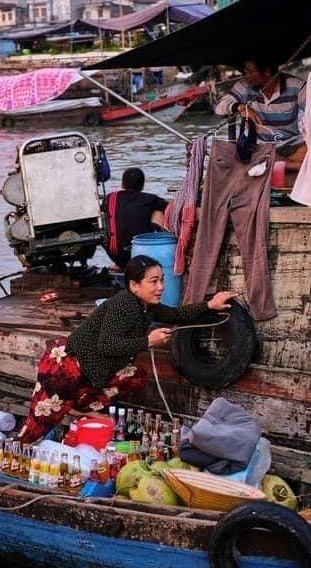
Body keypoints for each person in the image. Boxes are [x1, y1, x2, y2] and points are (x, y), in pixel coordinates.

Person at [17, 256, 236, 443]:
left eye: (162, 280)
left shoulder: (145, 306)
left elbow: (175, 315)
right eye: (153, 281)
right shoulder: (124, 305)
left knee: (135, 376)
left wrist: (209, 305)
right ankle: (9, 453)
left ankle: (78, 409)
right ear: (134, 285)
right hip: (67, 368)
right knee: (35, 428)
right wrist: (147, 341)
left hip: (95, 371)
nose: (161, 286)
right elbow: (107, 344)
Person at [215, 58, 307, 170]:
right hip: (261, 148)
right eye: (245, 71)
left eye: (250, 71)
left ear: (267, 72)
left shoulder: (296, 86)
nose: (246, 75)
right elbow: (219, 108)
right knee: (248, 155)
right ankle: (291, 165)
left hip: (292, 146)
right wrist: (240, 107)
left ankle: (280, 164)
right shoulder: (244, 86)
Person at [104, 167, 167, 269]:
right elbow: (169, 208)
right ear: (142, 185)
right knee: (159, 211)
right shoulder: (150, 199)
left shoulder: (110, 197)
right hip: (142, 252)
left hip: (116, 254)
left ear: (122, 184)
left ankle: (119, 265)